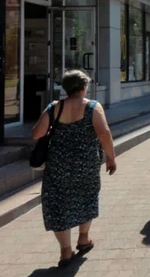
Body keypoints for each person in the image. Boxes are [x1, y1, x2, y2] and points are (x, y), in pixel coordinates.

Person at [32, 70, 117, 267]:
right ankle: (84, 238)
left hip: (58, 165)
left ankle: (65, 250)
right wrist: (111, 158)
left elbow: (37, 133)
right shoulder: (93, 107)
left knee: (58, 204)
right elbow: (104, 134)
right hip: (86, 163)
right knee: (86, 198)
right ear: (83, 87)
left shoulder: (54, 107)